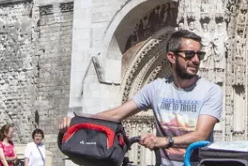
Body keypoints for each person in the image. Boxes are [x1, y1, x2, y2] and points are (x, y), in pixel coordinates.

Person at [59, 29, 222, 166]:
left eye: (199, 55)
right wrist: (76, 123)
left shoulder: (211, 91)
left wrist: (164, 141)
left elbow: (201, 135)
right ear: (171, 57)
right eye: (189, 54)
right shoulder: (157, 88)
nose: (195, 60)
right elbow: (116, 114)